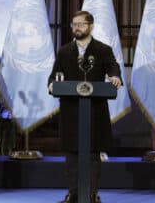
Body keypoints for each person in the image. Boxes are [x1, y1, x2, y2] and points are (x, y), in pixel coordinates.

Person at [48, 11, 122, 203]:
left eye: (81, 24)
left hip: (95, 111)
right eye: (74, 24)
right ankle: (73, 194)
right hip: (71, 111)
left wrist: (114, 76)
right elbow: (54, 75)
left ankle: (91, 194)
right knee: (71, 154)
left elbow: (113, 67)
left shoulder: (103, 50)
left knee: (92, 153)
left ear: (91, 26)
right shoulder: (64, 51)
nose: (77, 27)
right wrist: (51, 84)